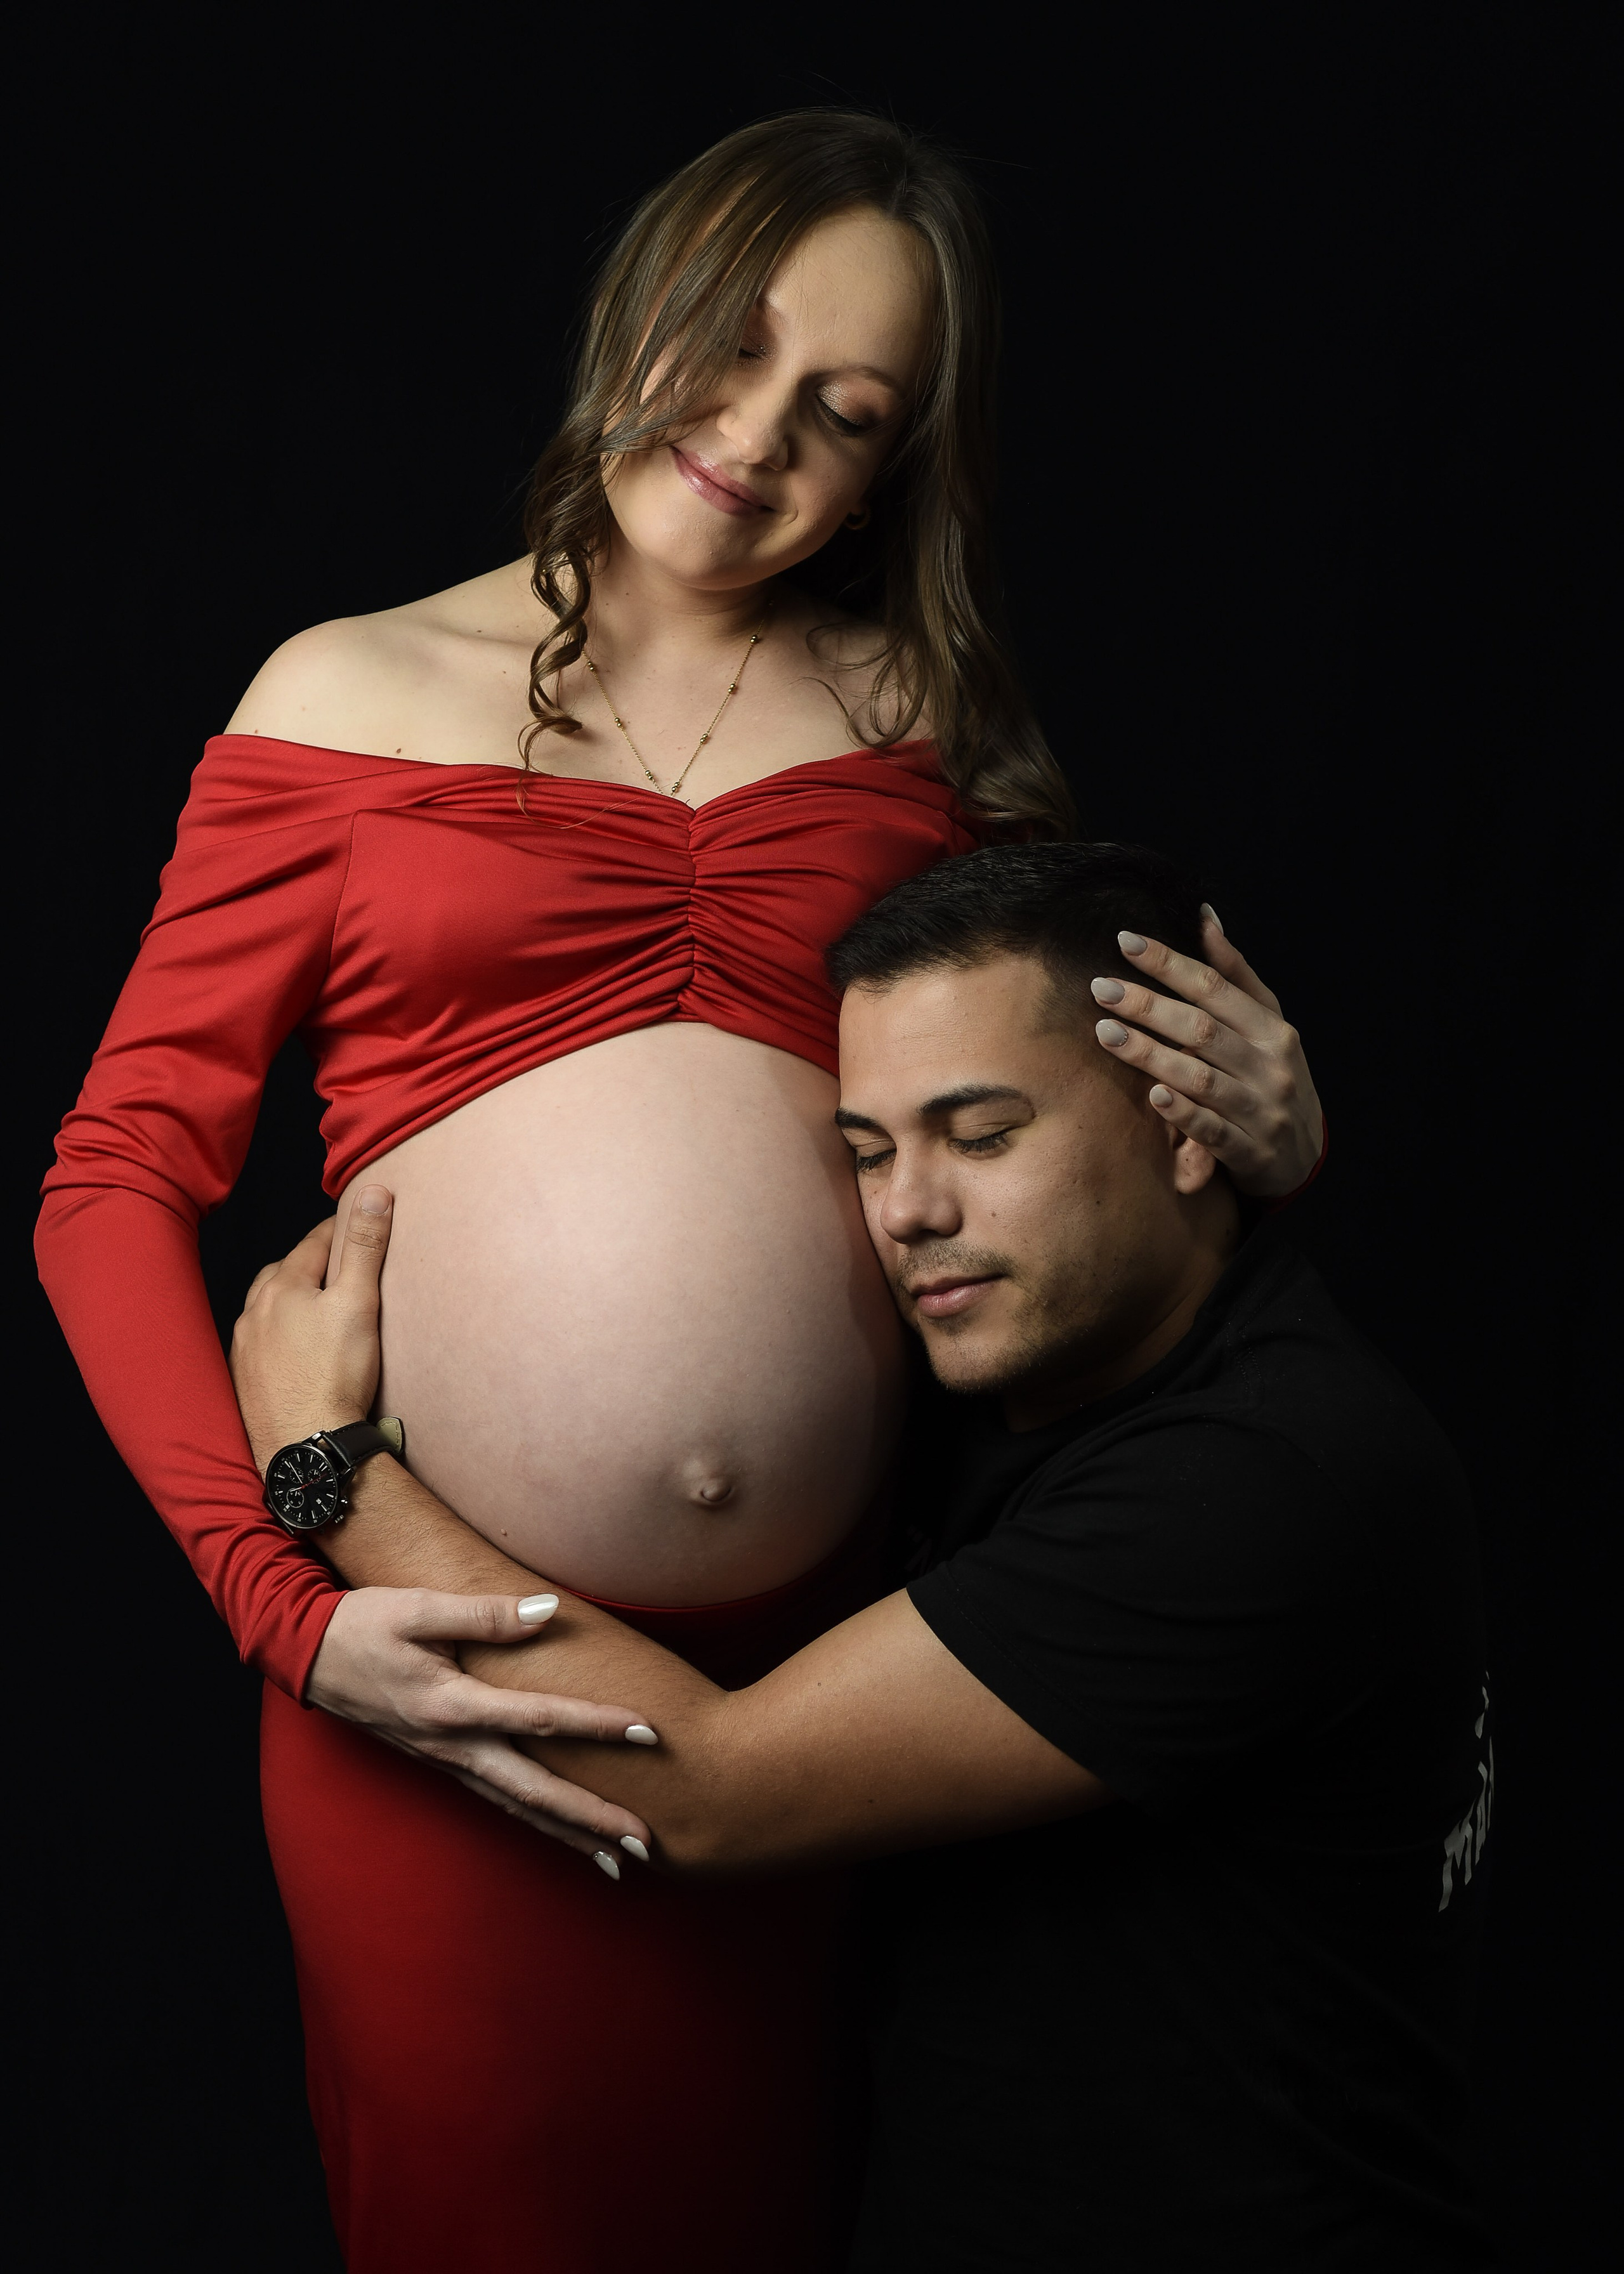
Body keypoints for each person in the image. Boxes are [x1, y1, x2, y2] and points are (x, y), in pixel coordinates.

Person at [37, 112, 1324, 2274]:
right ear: (642, 304)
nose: (758, 433)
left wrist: (1267, 1137)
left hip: (831, 1692)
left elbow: (1077, 1162)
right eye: (734, 344)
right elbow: (112, 1176)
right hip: (445, 1672)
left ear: (891, 472)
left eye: (848, 410)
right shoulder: (346, 690)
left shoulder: (922, 726)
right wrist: (289, 1606)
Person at [230, 844, 1488, 2274]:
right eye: (870, 1151)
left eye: (983, 1134)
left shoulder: (1264, 1484)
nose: (907, 1212)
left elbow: (708, 1790)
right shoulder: (1055, 1385)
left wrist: (328, 1466)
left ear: (1186, 1123)